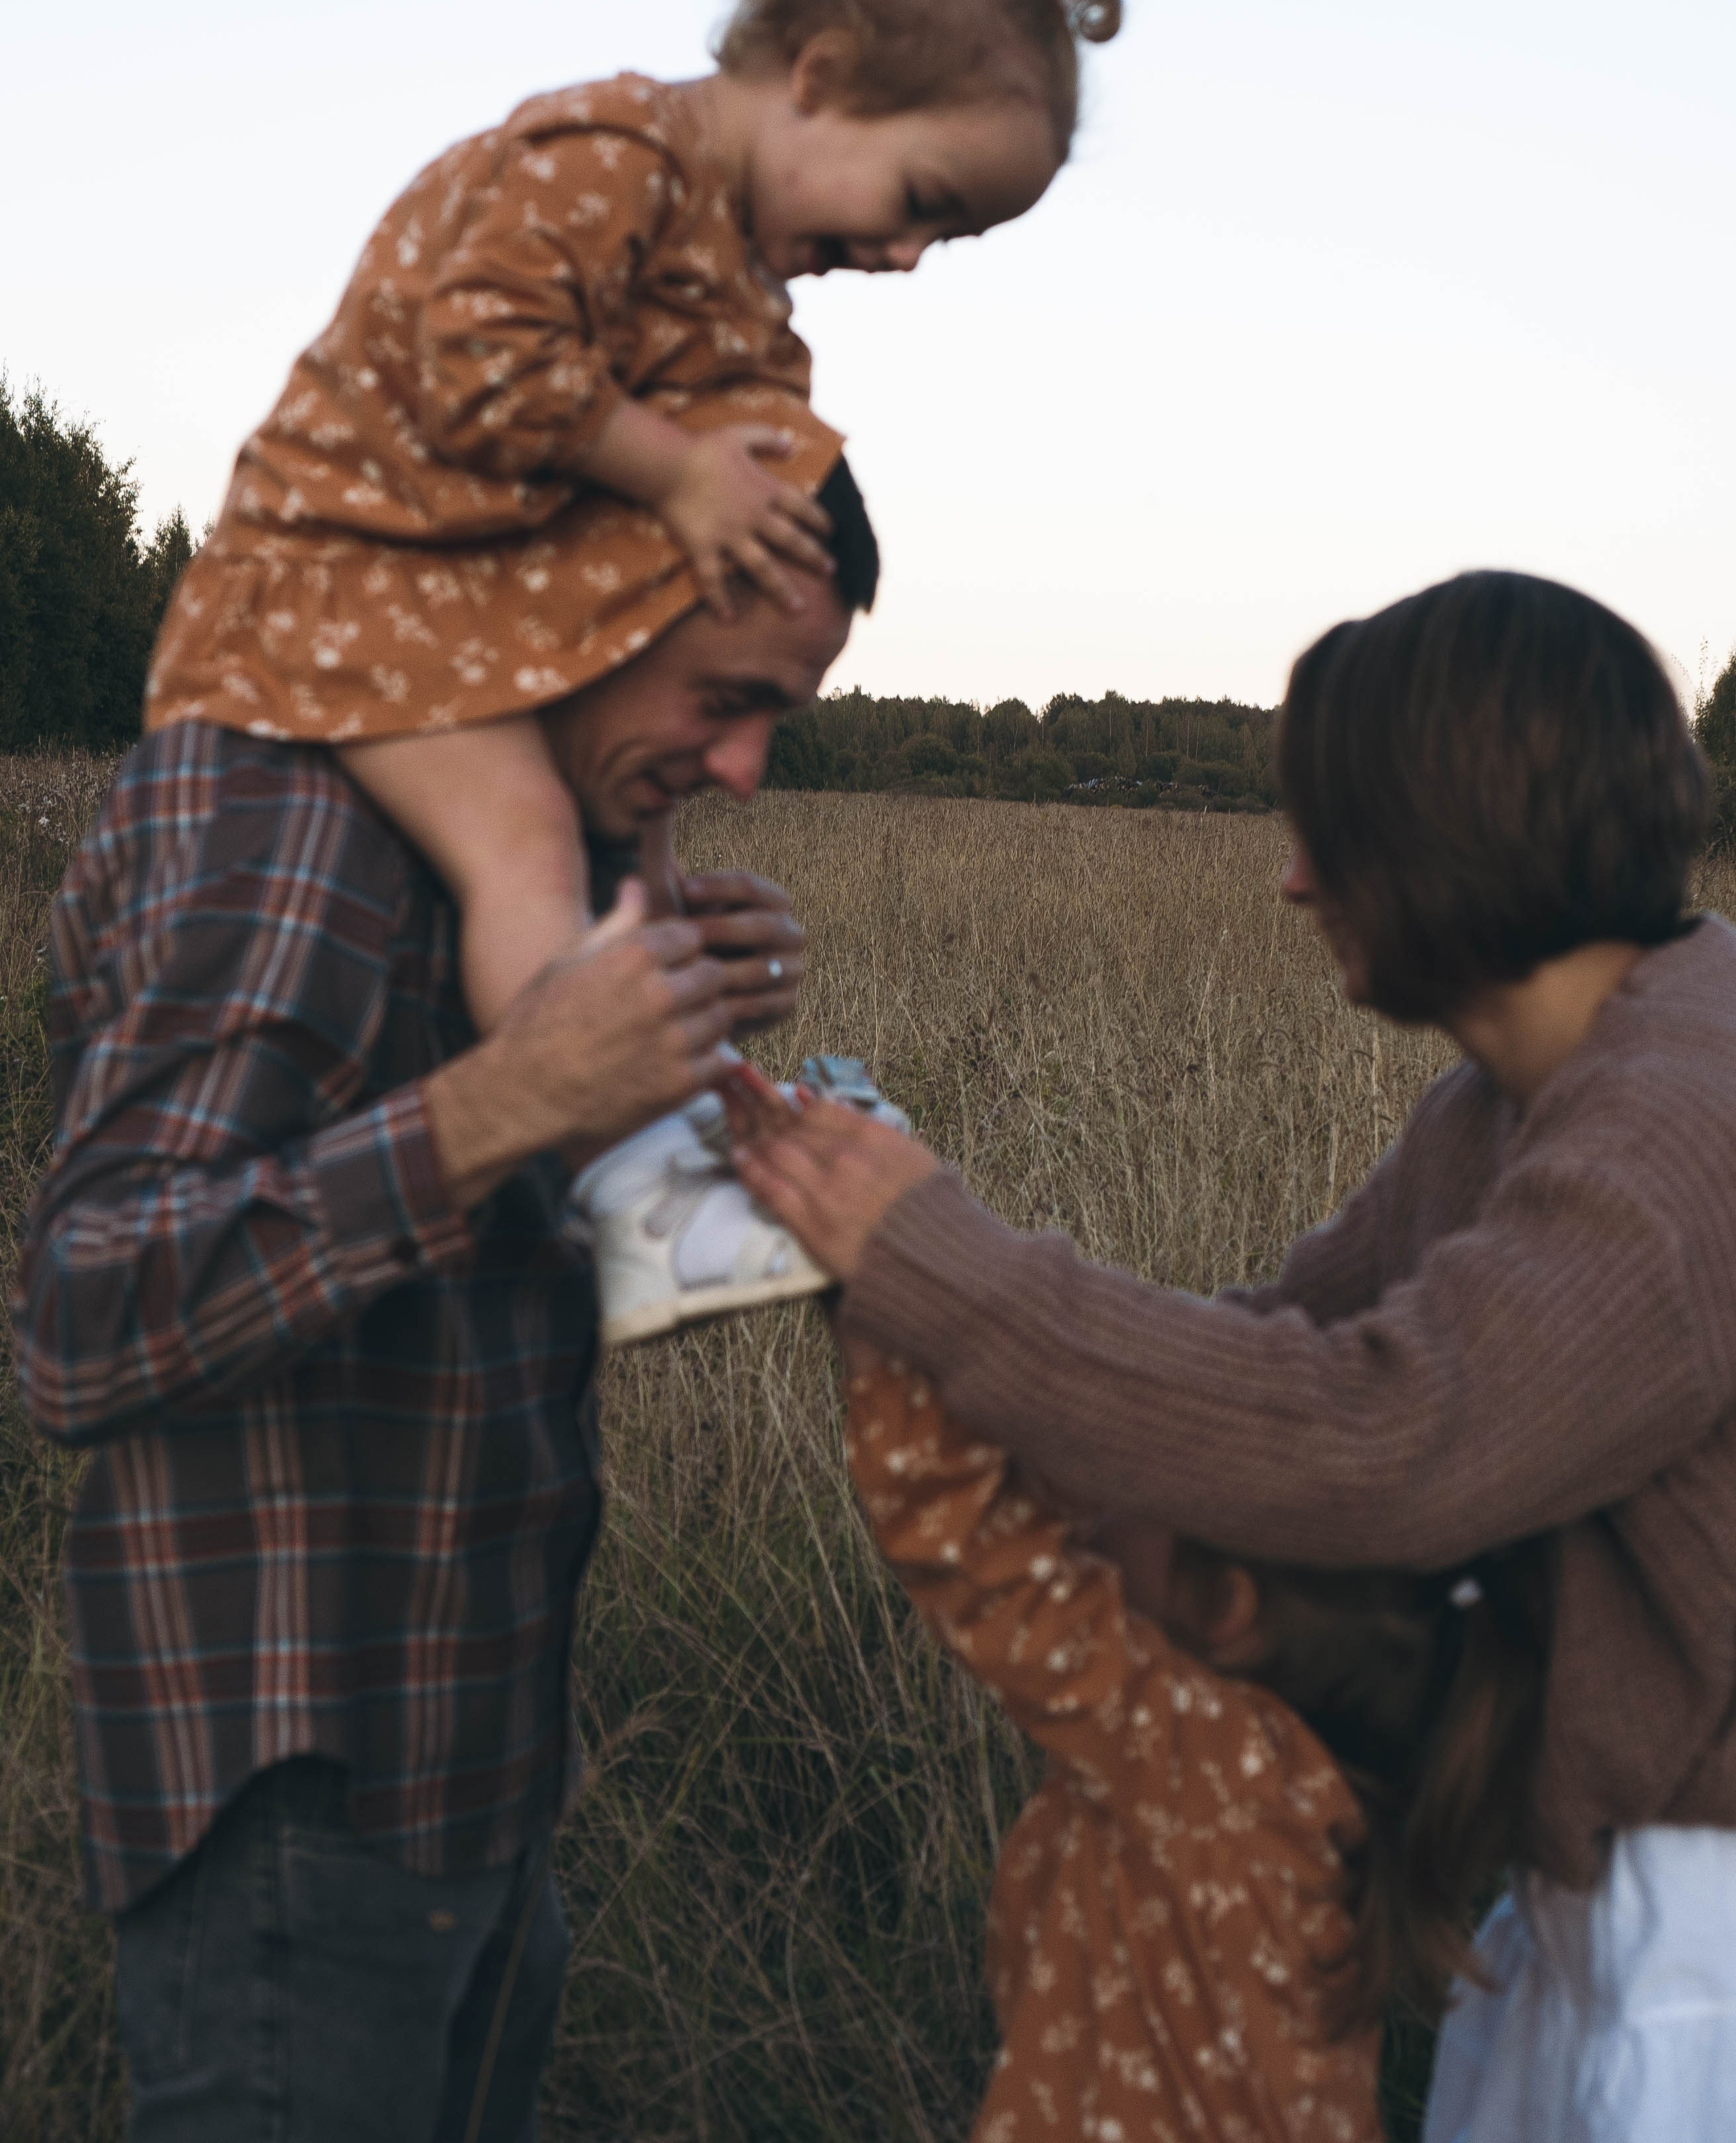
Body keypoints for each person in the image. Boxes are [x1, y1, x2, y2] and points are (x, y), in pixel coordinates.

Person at [729, 570, 1736, 2142]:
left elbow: (1383, 1439)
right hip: (1604, 1901)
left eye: (1319, 826)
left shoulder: (1676, 1125)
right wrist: (871, 1242)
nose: (1286, 881)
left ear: (1437, 835)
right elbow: (1272, 1348)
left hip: (1702, 1949)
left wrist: (939, 1263)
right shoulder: (1519, 1093)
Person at [12, 485, 875, 2143]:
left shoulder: (524, 853)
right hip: (294, 1794)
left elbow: (502, 1253)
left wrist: (684, 1072)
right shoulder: (273, 815)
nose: (749, 764)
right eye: (724, 696)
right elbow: (79, 1322)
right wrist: (497, 1100)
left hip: (471, 1759)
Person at [144, 0, 1122, 1034]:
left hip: (465, 605)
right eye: (920, 203)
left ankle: (656, 1094)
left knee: (615, 879)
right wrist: (677, 476)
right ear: (819, 75)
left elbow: (693, 601)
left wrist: (659, 879)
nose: (907, 259)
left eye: (945, 243)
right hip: (331, 587)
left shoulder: (752, 312)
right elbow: (477, 358)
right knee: (524, 841)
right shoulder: (614, 160)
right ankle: (606, 1136)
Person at [833, 1337, 1546, 2142]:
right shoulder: (1288, 1800)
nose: (1097, 1511)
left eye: (1134, 1497)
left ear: (1223, 1611)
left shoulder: (1206, 1767)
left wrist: (874, 1322)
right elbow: (1057, 1545)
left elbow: (987, 1568)